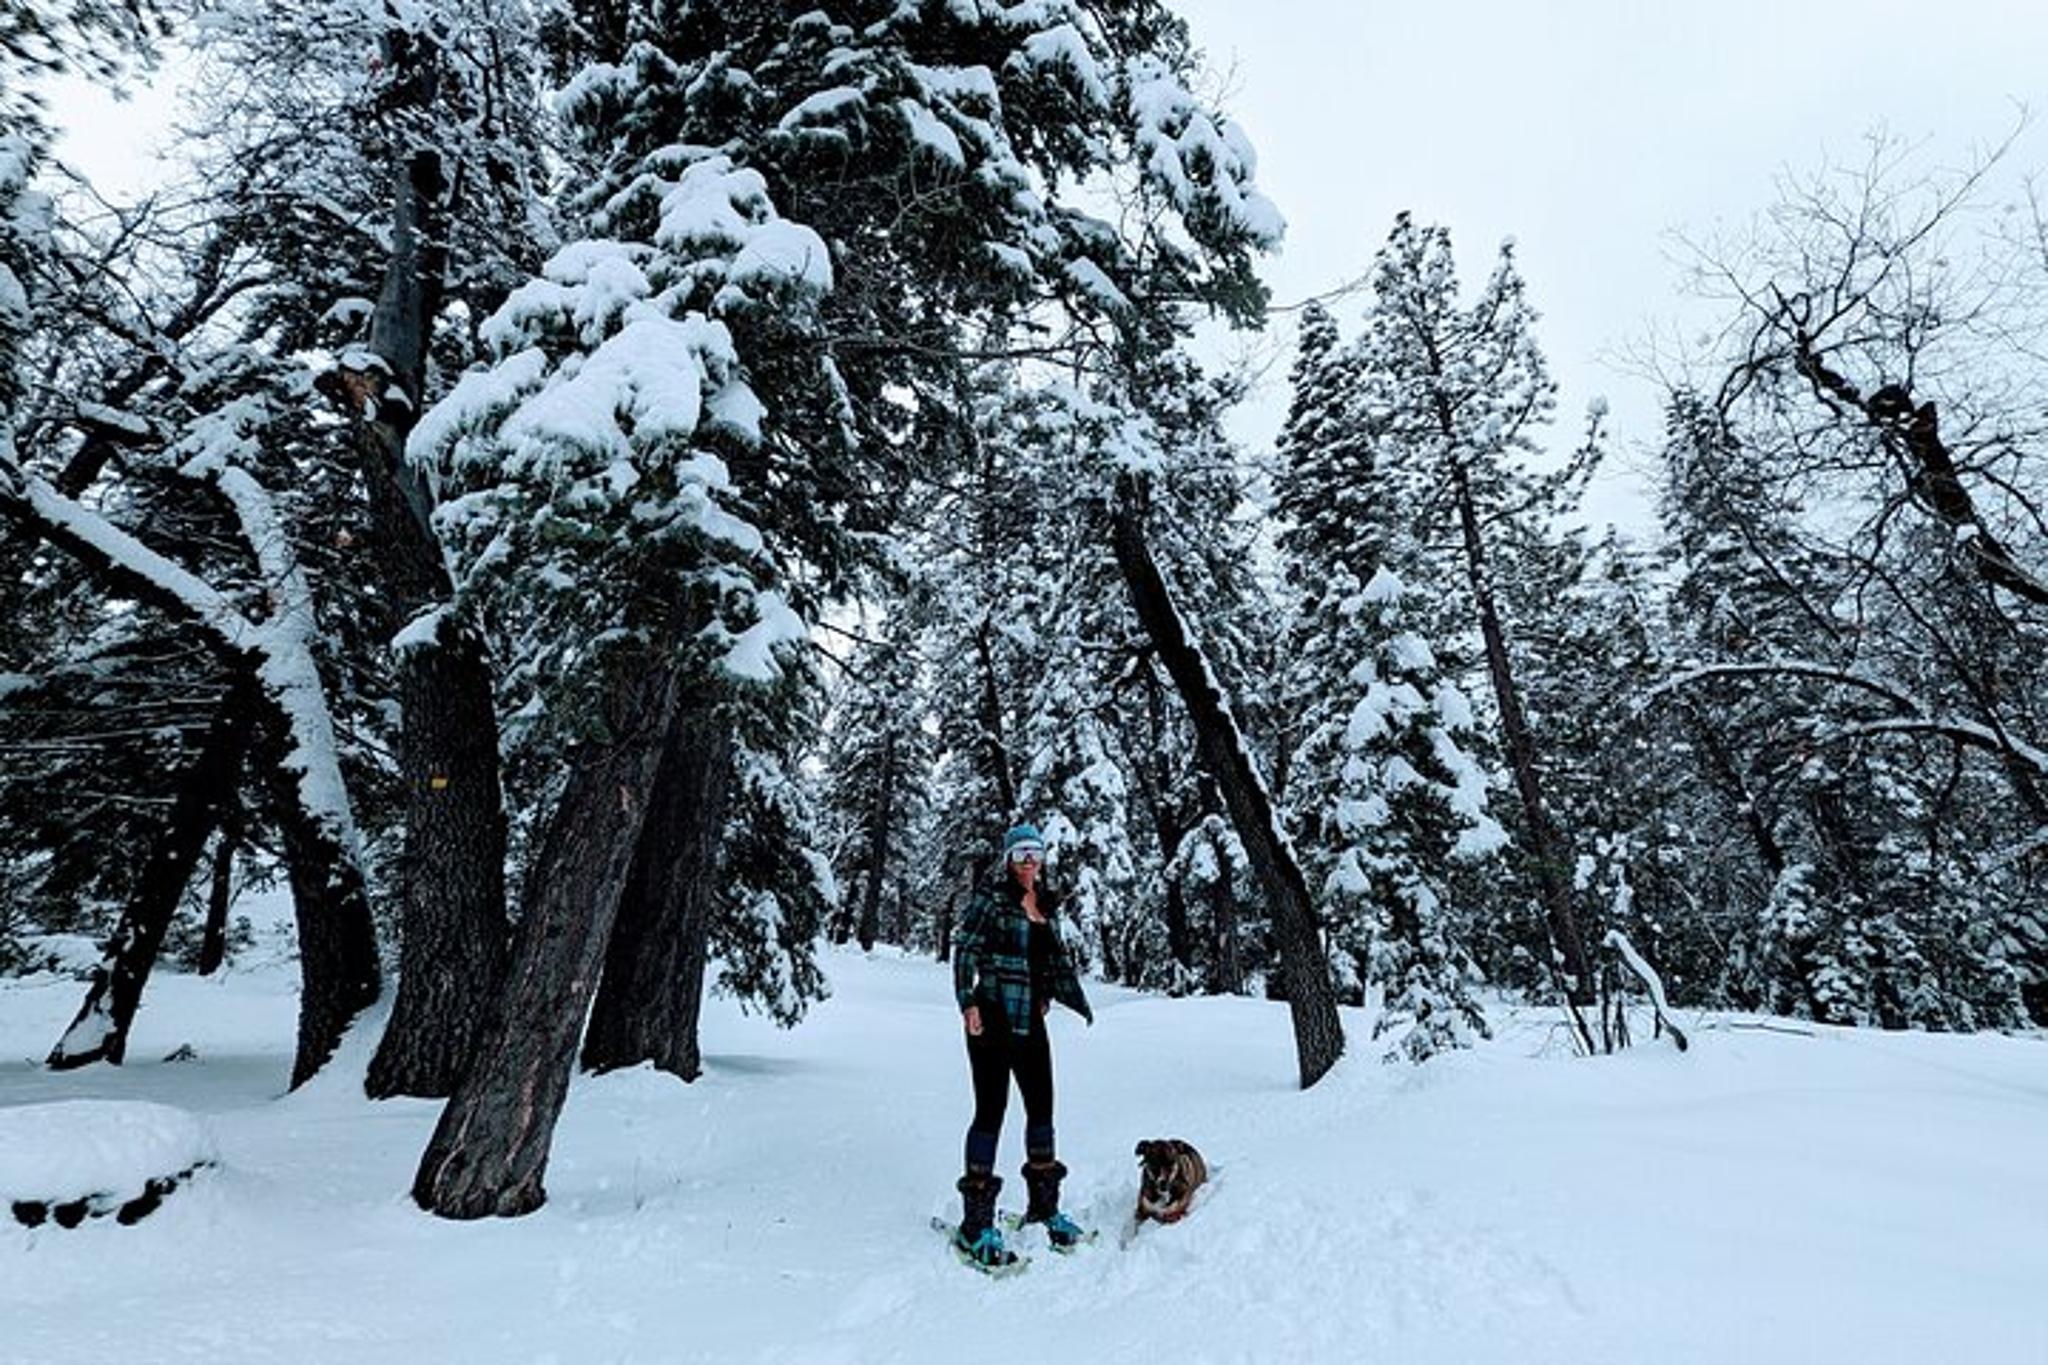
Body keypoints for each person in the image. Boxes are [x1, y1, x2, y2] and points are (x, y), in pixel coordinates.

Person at [948, 822, 1094, 1268]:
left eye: (1035, 852)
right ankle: (975, 1225)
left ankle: (1043, 1208)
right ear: (1008, 859)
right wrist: (967, 1001)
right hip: (990, 1016)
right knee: (991, 1109)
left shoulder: (1044, 905)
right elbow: (965, 950)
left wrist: (1048, 991)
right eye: (1020, 853)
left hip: (1030, 1019)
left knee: (1042, 1108)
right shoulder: (991, 899)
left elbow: (1046, 957)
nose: (1028, 860)